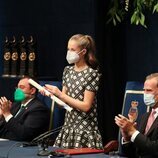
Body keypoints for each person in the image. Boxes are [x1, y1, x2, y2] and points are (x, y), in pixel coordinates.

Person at [41, 34, 103, 149]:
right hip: (68, 128)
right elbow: (63, 104)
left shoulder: (91, 73)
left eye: (73, 50)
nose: (69, 52)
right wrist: (52, 95)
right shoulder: (67, 70)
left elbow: (86, 106)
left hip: (84, 130)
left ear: (83, 51)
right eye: (68, 49)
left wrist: (60, 94)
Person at [115, 73, 158, 158]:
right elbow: (133, 153)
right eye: (144, 90)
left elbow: (156, 150)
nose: (145, 94)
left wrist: (132, 131)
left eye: (149, 90)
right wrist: (127, 137)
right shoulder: (145, 116)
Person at [0, 76, 50, 141]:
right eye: (17, 87)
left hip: (22, 147)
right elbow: (4, 129)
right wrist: (1, 116)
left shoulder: (39, 109)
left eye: (21, 87)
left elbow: (24, 134)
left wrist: (7, 114)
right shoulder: (16, 104)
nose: (17, 90)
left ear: (32, 91)